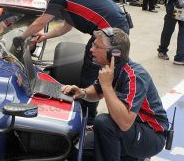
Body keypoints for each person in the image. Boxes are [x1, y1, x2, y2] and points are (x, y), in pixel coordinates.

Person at [13, 0, 130, 125]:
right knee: (109, 70)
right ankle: (98, 110)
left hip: (109, 31)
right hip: (117, 27)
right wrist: (44, 36)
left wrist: (20, 39)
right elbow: (66, 27)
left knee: (91, 70)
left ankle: (87, 117)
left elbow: (39, 22)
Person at [61, 27, 168, 161]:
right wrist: (82, 93)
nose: (91, 49)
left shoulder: (135, 76)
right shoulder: (111, 67)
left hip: (151, 135)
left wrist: (107, 85)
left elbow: (125, 123)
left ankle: (137, 156)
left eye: (96, 46)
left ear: (114, 53)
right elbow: (97, 91)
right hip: (130, 130)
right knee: (78, 151)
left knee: (103, 123)